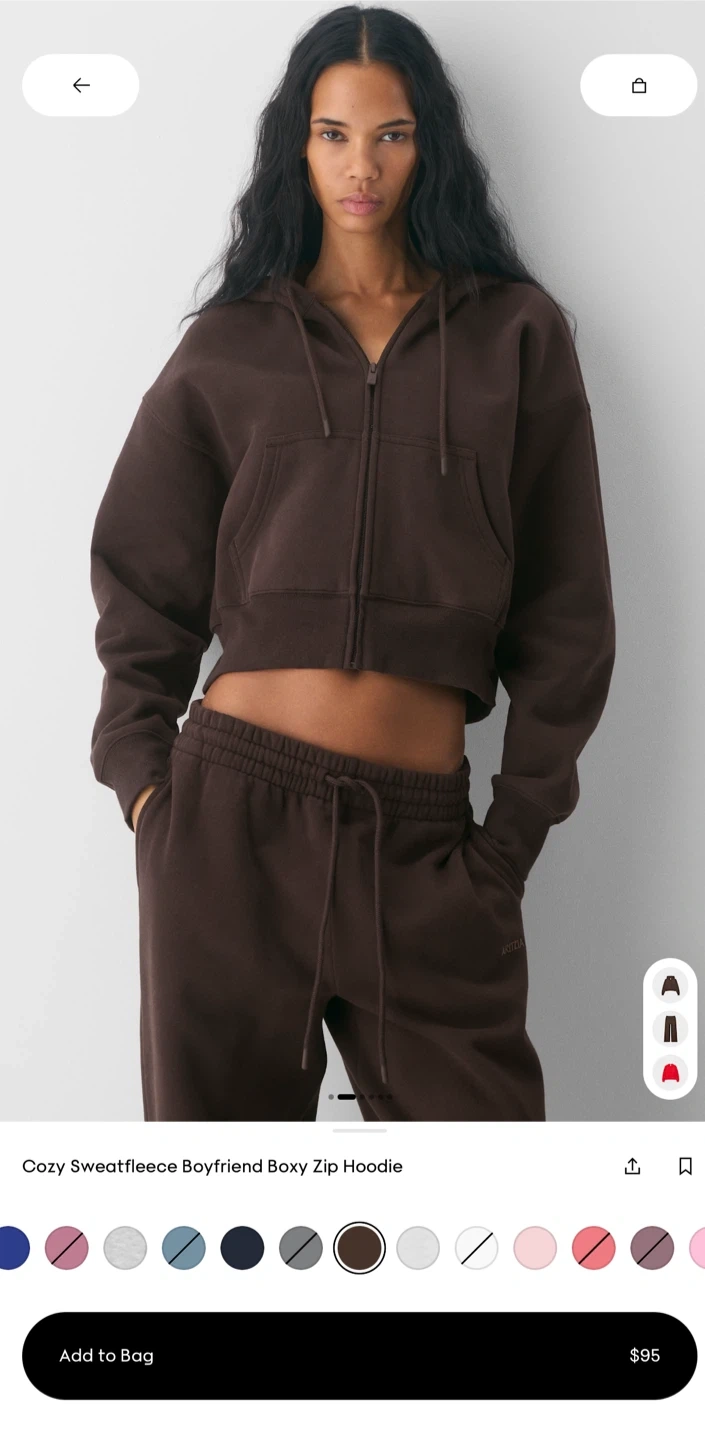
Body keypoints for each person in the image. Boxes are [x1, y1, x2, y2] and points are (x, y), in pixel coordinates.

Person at [90, 5, 615, 1122]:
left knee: (492, 1205)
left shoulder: (516, 337)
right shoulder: (231, 343)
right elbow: (141, 572)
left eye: (391, 135)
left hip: (424, 852)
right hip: (228, 832)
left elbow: (568, 613)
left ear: (431, 148)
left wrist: (507, 848)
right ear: (298, 146)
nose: (361, 167)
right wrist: (146, 788)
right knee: (216, 1209)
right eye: (333, 134)